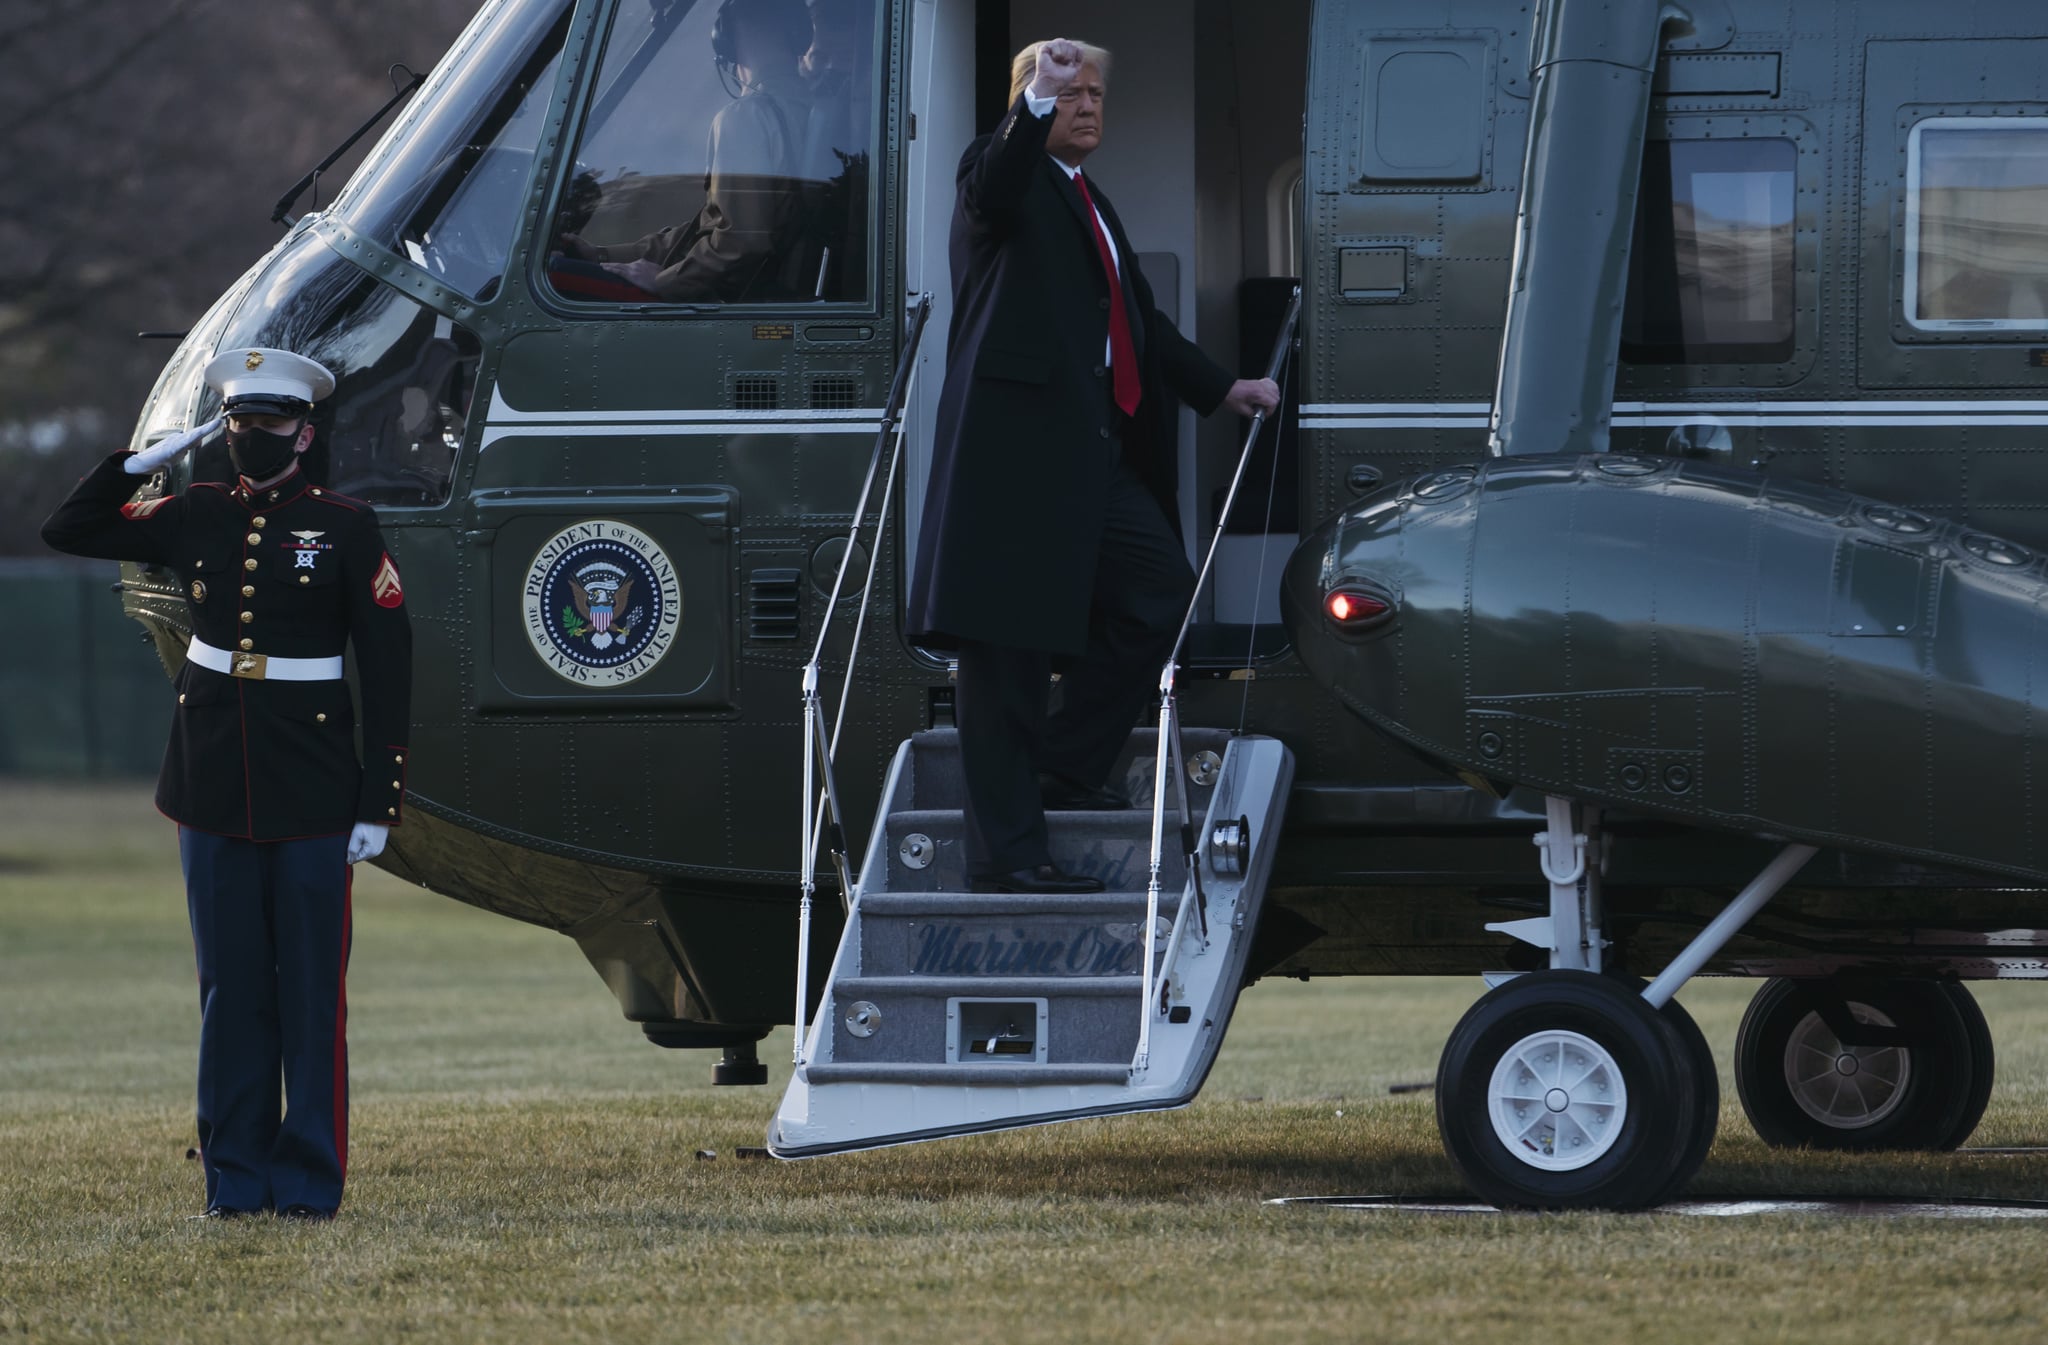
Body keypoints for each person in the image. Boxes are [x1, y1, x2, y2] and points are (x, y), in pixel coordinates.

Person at [41, 348, 413, 1222]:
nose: (252, 439)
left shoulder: (347, 525)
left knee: (310, 996)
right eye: (240, 425)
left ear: (304, 430)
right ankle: (234, 1182)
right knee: (230, 995)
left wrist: (378, 802)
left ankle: (309, 1185)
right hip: (210, 782)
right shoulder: (194, 511)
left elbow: (390, 668)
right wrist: (146, 460)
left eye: (270, 425)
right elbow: (72, 525)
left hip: (316, 790)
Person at [906, 39, 1280, 895]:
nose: (1087, 106)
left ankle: (1063, 763)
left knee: (1160, 595)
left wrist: (1227, 388)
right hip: (1011, 460)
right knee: (1007, 653)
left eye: (1096, 95)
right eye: (1068, 92)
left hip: (1088, 458)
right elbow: (993, 187)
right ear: (1030, 98)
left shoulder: (1092, 200)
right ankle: (1007, 855)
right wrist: (1031, 102)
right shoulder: (1000, 172)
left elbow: (1143, 326)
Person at [557, 0, 815, 302]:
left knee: (555, 274)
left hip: (737, 302)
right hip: (773, 292)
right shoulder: (812, 106)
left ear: (726, 39)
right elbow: (710, 227)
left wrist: (666, 282)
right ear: (798, 33)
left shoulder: (745, 117)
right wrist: (600, 254)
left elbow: (741, 240)